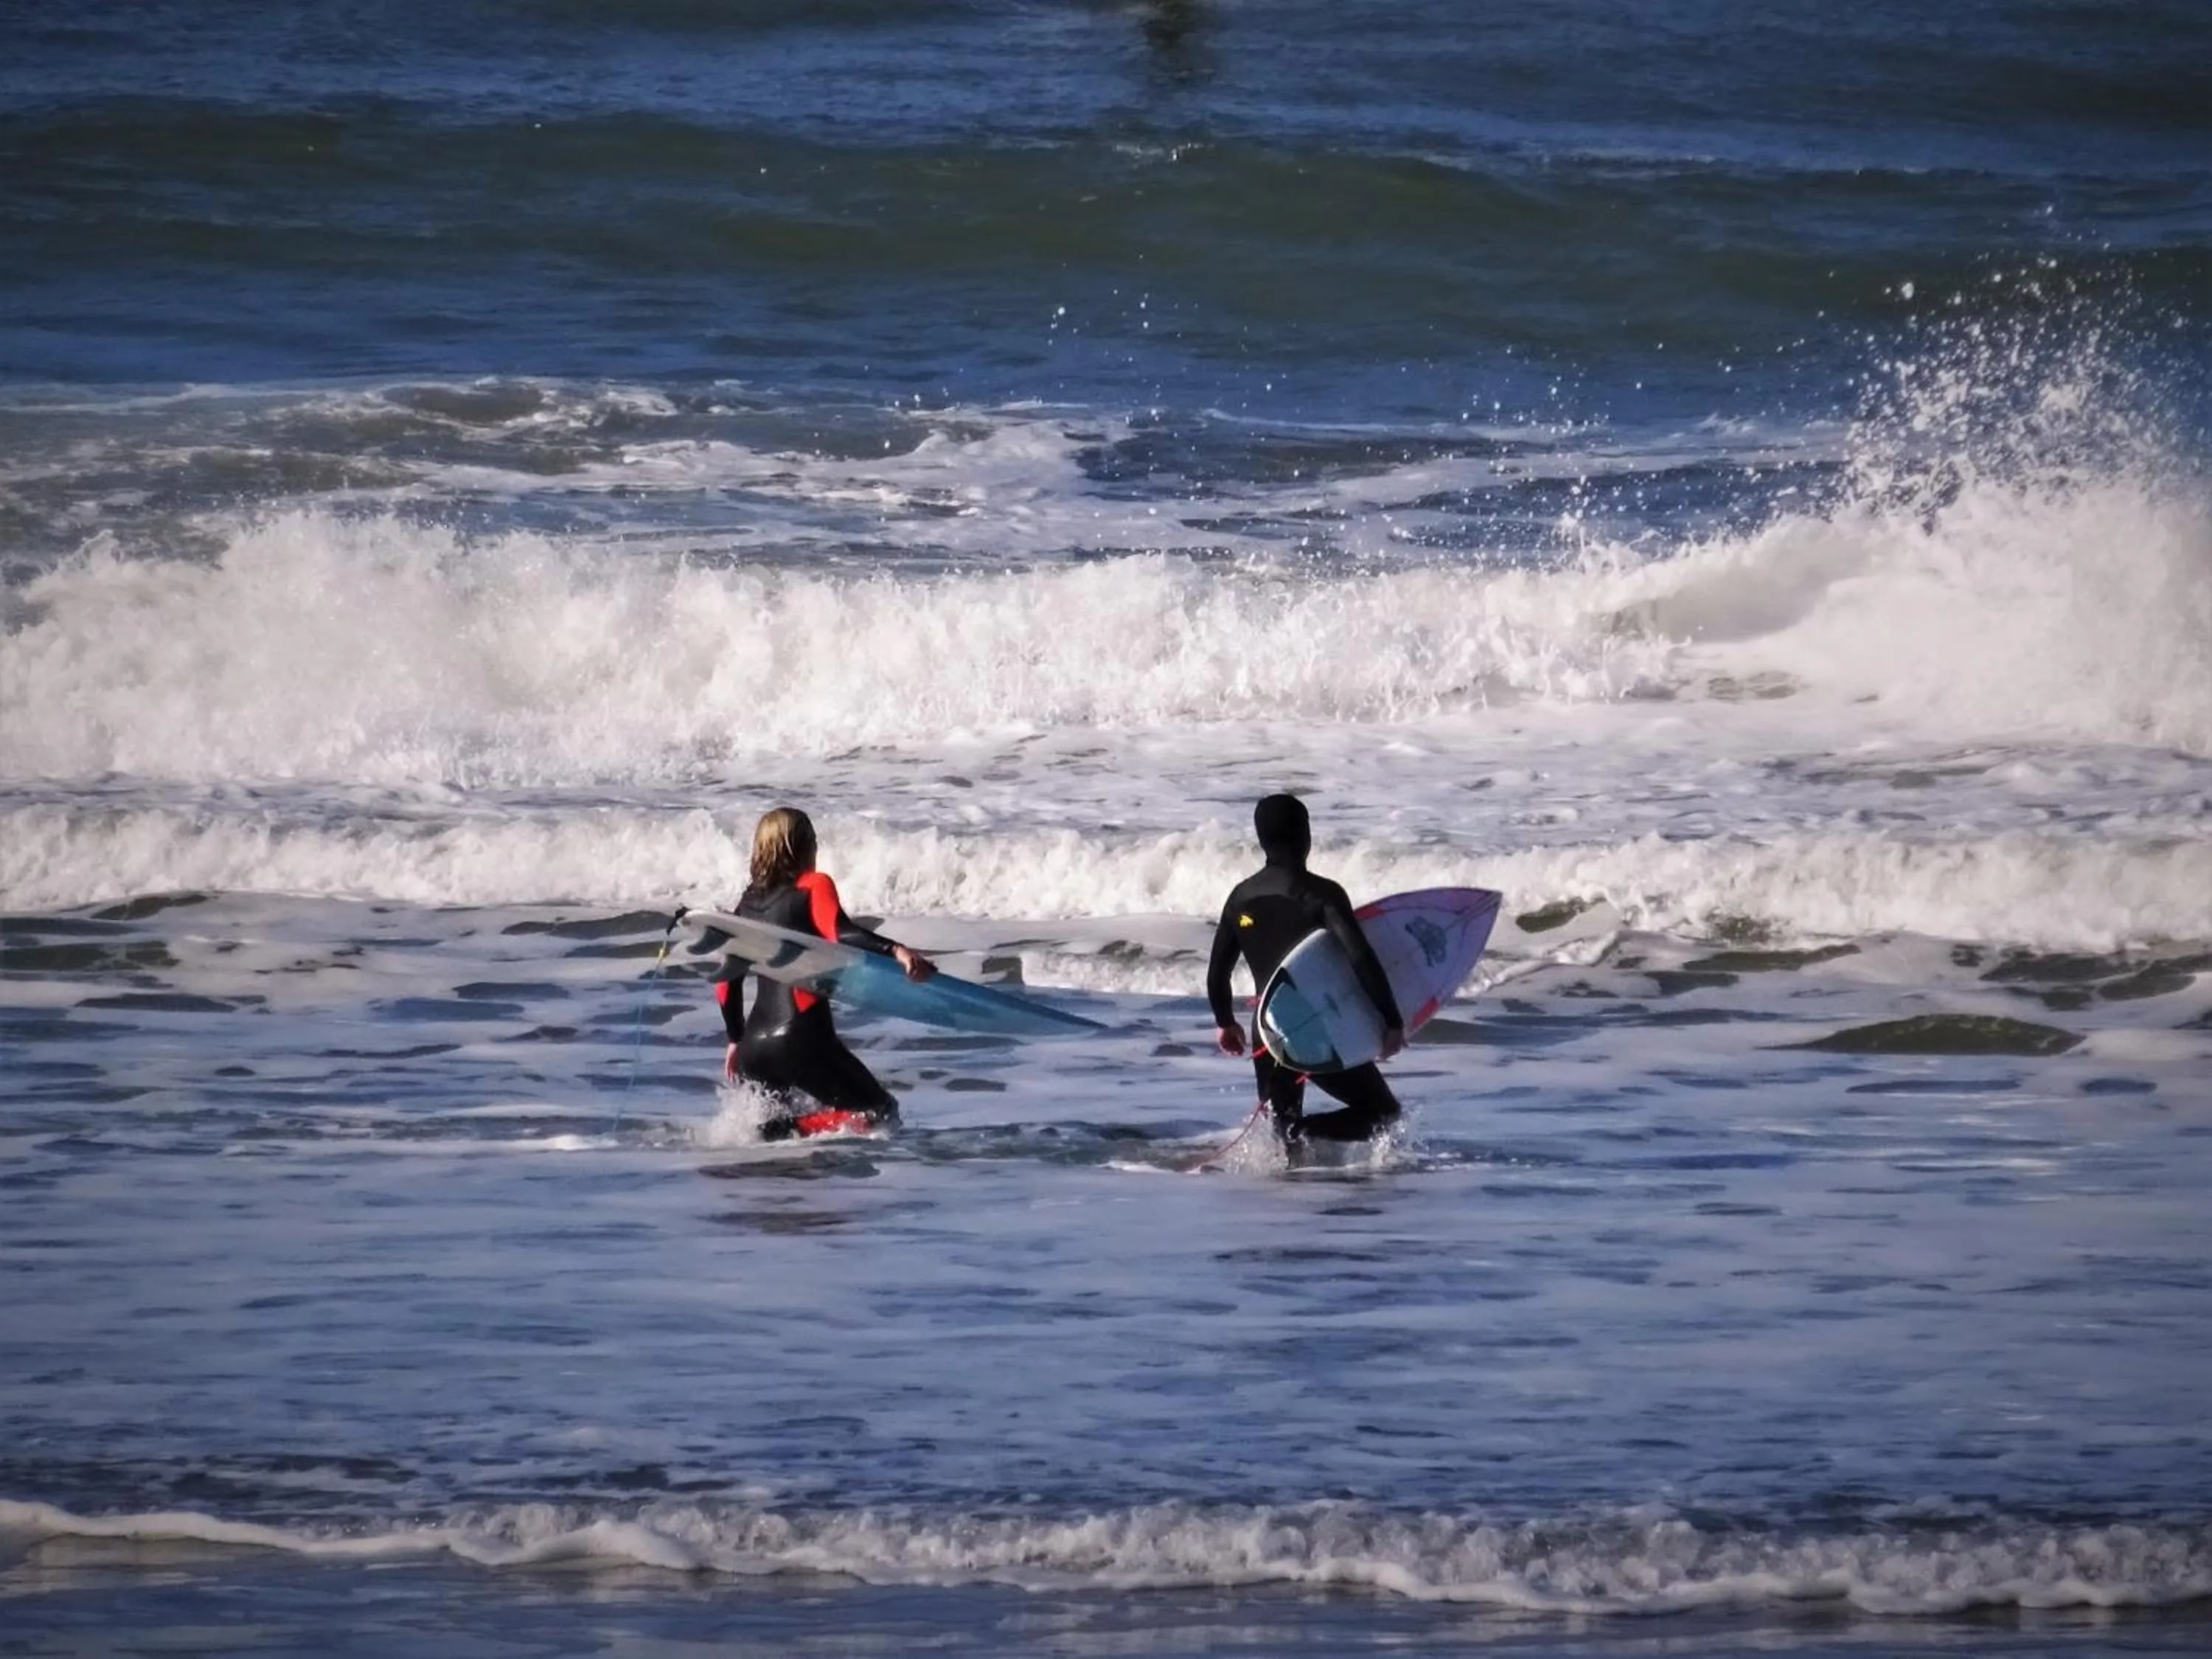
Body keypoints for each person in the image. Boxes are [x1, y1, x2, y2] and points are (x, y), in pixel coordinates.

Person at [716, 807, 934, 1138]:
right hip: (800, 1039)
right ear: (801, 846)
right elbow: (839, 931)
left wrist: (735, 1039)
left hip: (752, 1051)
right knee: (877, 1112)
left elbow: (726, 981)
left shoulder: (748, 902)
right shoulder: (813, 885)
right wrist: (896, 950)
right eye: (813, 840)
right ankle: (780, 1130)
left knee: (784, 1162)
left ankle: (775, 1140)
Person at [1206, 793, 1405, 1147]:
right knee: (1382, 1112)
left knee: (1281, 1138)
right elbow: (1360, 958)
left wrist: (1225, 1022)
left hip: (1268, 1031)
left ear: (1261, 839)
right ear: (1306, 835)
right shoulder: (1321, 895)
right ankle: (1306, 1135)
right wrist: (1391, 1021)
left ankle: (1293, 1168)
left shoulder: (1240, 897)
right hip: (1318, 1023)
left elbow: (1217, 971)